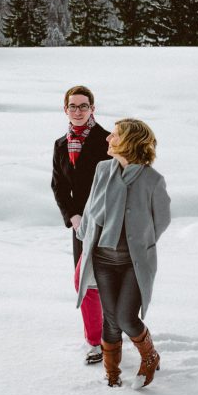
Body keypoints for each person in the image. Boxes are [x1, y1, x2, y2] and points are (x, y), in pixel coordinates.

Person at [75, 118, 171, 388]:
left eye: (114, 135)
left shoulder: (152, 179)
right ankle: (113, 375)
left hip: (133, 262)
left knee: (127, 317)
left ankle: (150, 356)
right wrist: (85, 236)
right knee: (111, 319)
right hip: (103, 258)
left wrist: (141, 242)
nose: (108, 139)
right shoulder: (103, 169)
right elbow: (91, 206)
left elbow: (161, 219)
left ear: (129, 141)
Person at [51, 86, 111, 365]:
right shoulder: (61, 145)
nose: (78, 111)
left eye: (83, 106)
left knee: (111, 283)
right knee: (85, 284)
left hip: (109, 224)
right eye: (73, 106)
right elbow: (59, 186)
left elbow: (118, 184)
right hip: (81, 227)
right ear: (65, 109)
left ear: (93, 109)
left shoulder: (109, 140)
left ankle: (116, 335)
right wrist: (73, 216)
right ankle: (94, 342)